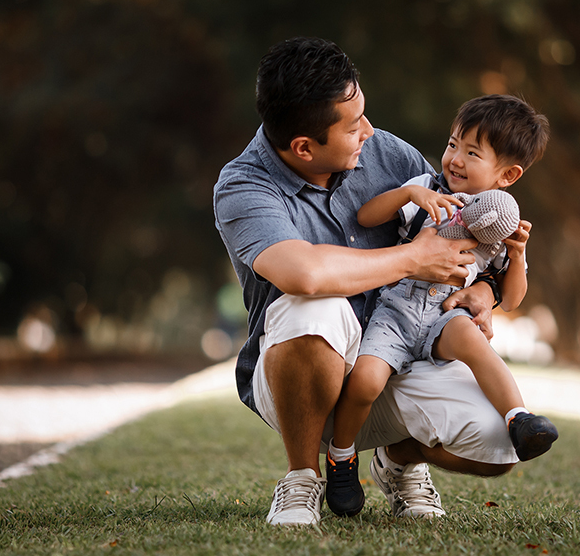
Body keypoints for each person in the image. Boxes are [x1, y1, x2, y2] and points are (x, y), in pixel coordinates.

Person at [213, 37, 520, 527]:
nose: (369, 132)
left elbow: (458, 231)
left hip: (392, 359)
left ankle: (398, 462)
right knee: (314, 305)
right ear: (303, 147)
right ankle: (300, 479)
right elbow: (305, 273)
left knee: (499, 445)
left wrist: (489, 290)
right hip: (297, 379)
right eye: (353, 126)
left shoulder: (388, 154)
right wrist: (411, 259)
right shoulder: (243, 186)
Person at [324, 95, 557, 518]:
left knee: (472, 338)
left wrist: (518, 256)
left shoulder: (501, 226)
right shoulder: (428, 191)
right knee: (366, 381)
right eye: (453, 145)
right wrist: (407, 192)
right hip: (397, 311)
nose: (455, 159)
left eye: (472, 152)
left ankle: (518, 417)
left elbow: (513, 296)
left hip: (445, 316)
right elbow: (365, 218)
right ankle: (342, 458)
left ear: (507, 175)